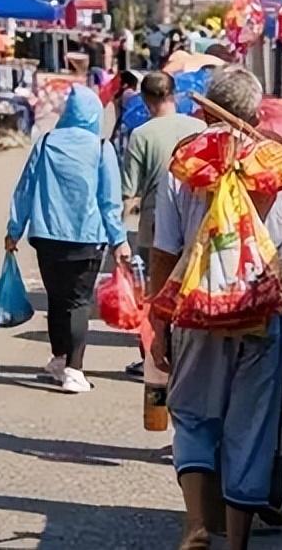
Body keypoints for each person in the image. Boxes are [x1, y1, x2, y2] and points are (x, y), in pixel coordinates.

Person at [149, 67, 282, 550]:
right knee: (253, 423)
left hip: (198, 310)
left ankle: (195, 526)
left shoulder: (186, 162)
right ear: (255, 112)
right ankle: (239, 541)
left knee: (192, 415)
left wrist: (157, 320)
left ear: (207, 111)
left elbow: (164, 250)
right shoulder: (276, 162)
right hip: (262, 312)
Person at [6, 85, 131, 394]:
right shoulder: (102, 148)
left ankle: (60, 358)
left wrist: (14, 229)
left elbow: (25, 188)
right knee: (78, 302)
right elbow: (109, 201)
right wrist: (119, 240)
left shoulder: (46, 143)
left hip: (46, 236)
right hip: (86, 237)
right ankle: (74, 370)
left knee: (57, 300)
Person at [121, 72, 206, 376]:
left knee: (155, 293)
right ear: (174, 94)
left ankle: (154, 355)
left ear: (144, 101)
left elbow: (129, 192)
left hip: (156, 224)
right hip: (199, 219)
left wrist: (117, 234)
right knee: (192, 286)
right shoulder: (201, 128)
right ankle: (191, 355)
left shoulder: (141, 135)